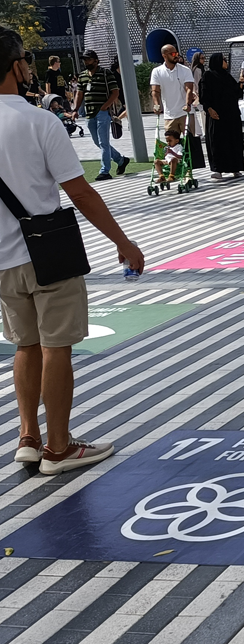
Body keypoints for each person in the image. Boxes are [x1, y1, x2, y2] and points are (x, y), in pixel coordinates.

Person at [0, 27, 144, 474]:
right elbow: (80, 193)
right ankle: (58, 448)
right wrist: (123, 242)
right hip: (48, 253)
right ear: (18, 66)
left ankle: (28, 437)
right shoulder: (37, 120)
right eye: (26, 59)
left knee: (25, 345)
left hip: (1, 262)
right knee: (55, 346)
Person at [71, 50, 129, 181]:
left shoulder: (105, 73)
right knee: (98, 142)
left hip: (102, 112)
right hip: (89, 113)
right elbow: (79, 94)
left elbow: (115, 92)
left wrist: (105, 106)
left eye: (89, 59)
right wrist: (75, 109)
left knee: (103, 142)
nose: (86, 62)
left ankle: (105, 170)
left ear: (96, 60)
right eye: (85, 60)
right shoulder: (83, 76)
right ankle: (120, 160)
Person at [200, 52, 244, 180]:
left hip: (231, 115)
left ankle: (235, 168)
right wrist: (209, 109)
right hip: (217, 115)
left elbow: (236, 92)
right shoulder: (208, 76)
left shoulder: (227, 76)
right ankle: (218, 169)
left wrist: (242, 80)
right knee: (217, 142)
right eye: (224, 59)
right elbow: (204, 95)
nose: (226, 62)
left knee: (234, 141)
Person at [150, 44, 195, 134]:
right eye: (173, 54)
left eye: (176, 53)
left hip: (185, 113)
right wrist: (156, 106)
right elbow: (155, 91)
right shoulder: (157, 71)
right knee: (172, 145)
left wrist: (188, 105)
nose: (176, 56)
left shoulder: (185, 70)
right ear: (164, 56)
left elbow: (189, 89)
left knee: (190, 143)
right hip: (169, 115)